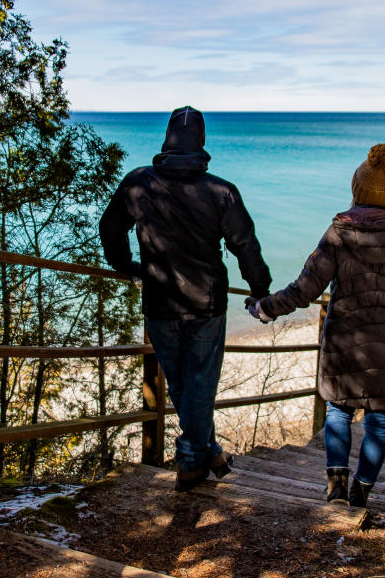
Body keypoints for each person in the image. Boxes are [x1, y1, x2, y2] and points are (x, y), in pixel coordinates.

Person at [99, 106, 271, 492]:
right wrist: (260, 289)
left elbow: (110, 226)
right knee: (195, 387)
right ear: (202, 142)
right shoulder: (221, 191)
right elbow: (245, 245)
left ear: (167, 139)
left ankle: (204, 453)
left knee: (182, 387)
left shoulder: (138, 183)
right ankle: (194, 462)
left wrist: (125, 264)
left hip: (160, 302)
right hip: (205, 305)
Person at [249, 144, 385, 508]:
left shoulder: (338, 233)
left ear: (357, 190)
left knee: (338, 411)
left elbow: (305, 288)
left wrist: (265, 308)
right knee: (379, 421)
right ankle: (361, 491)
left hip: (344, 340)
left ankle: (335, 488)